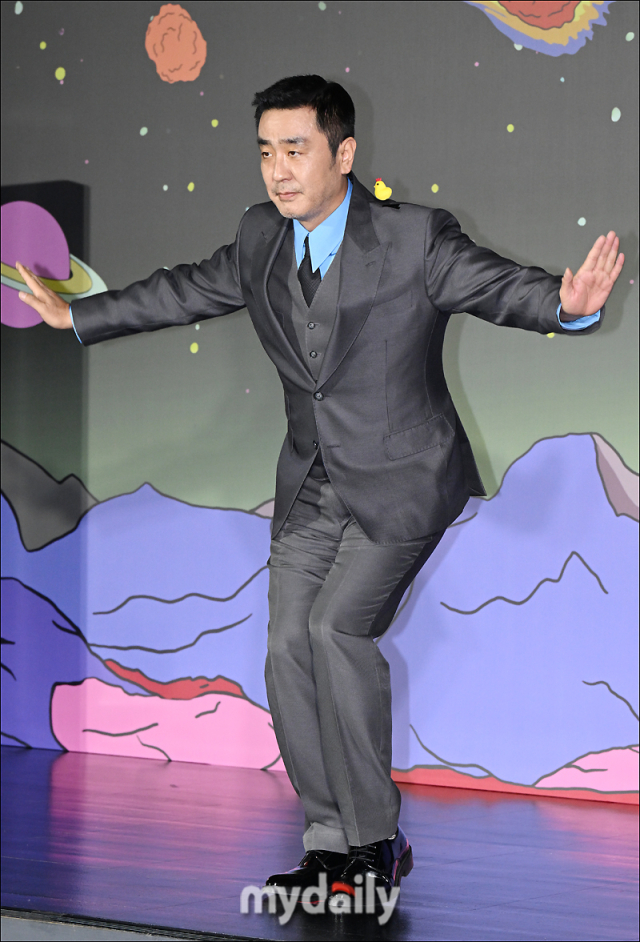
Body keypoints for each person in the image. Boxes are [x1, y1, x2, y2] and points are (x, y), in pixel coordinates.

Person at [17, 74, 624, 911]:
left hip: (404, 482)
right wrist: (78, 317)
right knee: (286, 648)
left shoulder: (413, 237)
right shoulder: (260, 238)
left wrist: (565, 306)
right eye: (266, 152)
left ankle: (378, 842)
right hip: (310, 482)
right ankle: (329, 843)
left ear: (344, 154)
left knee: (337, 630)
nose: (278, 170)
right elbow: (183, 290)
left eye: (295, 150)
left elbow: (495, 285)